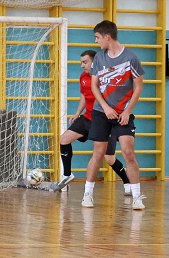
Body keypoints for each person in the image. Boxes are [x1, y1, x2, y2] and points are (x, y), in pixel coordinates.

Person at [82, 20, 145, 210]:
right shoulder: (99, 58)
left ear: (107, 37)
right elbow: (94, 85)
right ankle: (87, 194)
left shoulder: (131, 58)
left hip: (123, 113)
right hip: (102, 112)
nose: (96, 41)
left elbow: (138, 87)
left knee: (128, 152)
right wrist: (105, 107)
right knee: (98, 152)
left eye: (97, 37)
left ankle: (137, 196)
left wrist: (127, 111)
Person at [51, 49, 132, 194]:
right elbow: (84, 95)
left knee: (109, 158)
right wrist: (77, 113)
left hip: (103, 121)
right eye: (81, 62)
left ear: (94, 62)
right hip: (87, 118)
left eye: (85, 62)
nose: (82, 65)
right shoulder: (83, 76)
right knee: (64, 139)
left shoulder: (105, 78)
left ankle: (127, 182)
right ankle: (67, 175)